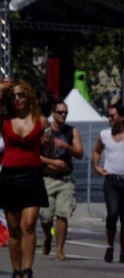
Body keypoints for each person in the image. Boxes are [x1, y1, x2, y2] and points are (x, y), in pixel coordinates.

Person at [0, 78, 53, 278]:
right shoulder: (4, 118)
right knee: (13, 229)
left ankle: (28, 271)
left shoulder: (41, 121)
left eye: (21, 94)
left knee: (28, 225)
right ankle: (16, 271)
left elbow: (50, 149)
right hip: (9, 176)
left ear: (29, 95)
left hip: (32, 176)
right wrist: (3, 88)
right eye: (13, 96)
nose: (17, 99)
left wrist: (49, 146)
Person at [39, 98, 83, 261]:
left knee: (63, 214)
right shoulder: (44, 129)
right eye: (60, 112)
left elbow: (79, 154)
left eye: (65, 113)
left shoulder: (72, 131)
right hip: (46, 178)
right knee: (45, 217)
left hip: (65, 178)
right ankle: (48, 236)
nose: (63, 115)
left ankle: (59, 249)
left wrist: (66, 146)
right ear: (52, 113)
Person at [93, 102, 124, 264]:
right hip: (111, 181)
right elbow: (97, 151)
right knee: (112, 214)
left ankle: (123, 252)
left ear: (122, 118)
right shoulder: (104, 135)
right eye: (108, 115)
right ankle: (110, 246)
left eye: (112, 116)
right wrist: (96, 166)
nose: (109, 118)